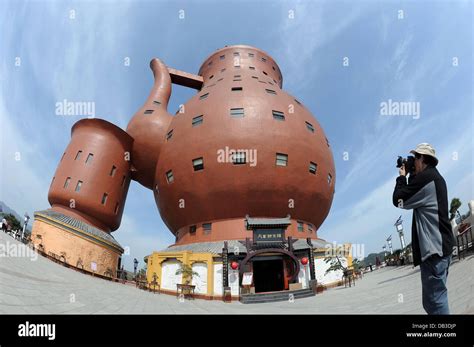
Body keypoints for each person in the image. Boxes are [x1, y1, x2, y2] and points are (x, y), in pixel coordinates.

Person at [393, 143, 455, 314]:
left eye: (415, 159)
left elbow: (399, 199)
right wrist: (413, 172)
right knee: (435, 300)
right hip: (443, 248)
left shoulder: (426, 179)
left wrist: (401, 177)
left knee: (435, 303)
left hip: (434, 253)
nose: (413, 163)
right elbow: (415, 193)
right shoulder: (435, 177)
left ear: (422, 158)